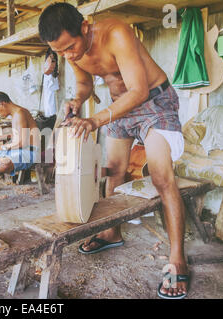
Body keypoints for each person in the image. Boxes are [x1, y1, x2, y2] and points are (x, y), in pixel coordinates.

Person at [39, 3, 187, 299]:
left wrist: (95, 119)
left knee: (161, 179)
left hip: (154, 103)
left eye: (70, 47)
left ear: (84, 26)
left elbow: (139, 91)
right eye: (61, 52)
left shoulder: (116, 32)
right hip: (120, 108)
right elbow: (83, 83)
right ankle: (112, 232)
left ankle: (177, 257)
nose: (68, 56)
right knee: (114, 173)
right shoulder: (71, 49)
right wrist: (76, 100)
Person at [0, 92, 40, 191]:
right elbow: (21, 135)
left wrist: (2, 147)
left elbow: (22, 143)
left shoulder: (20, 114)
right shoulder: (16, 113)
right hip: (18, 149)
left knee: (2, 166)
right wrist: (4, 136)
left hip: (29, 152)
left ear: (2, 103)